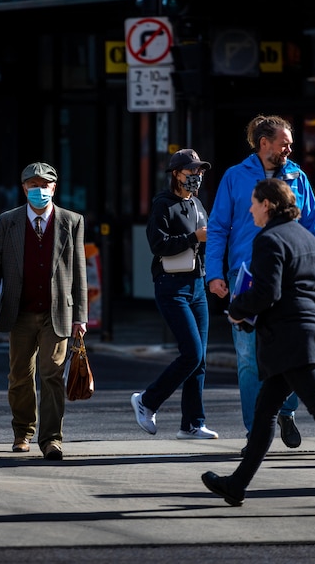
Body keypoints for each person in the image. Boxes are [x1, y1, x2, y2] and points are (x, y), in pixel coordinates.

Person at [200, 179, 315, 509]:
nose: (251, 209)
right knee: (266, 410)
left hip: (291, 340)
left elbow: (269, 292)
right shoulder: (307, 238)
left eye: (254, 203)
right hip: (310, 335)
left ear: (267, 204)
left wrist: (237, 310)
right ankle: (237, 485)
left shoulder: (269, 239)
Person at [206, 114, 315, 453]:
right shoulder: (235, 177)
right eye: (283, 142)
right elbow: (218, 227)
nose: (290, 148)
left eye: (290, 142)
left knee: (293, 349)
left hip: (290, 279)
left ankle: (285, 412)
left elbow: (313, 229)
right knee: (247, 358)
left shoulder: (298, 177)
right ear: (263, 143)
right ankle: (255, 430)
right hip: (245, 279)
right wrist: (214, 273)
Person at [0, 161, 88, 460]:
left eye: (44, 185)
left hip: (58, 312)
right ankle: (22, 431)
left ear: (54, 188)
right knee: (20, 375)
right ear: (24, 188)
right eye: (33, 185)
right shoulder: (8, 221)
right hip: (20, 311)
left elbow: (79, 271)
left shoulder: (71, 221)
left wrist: (81, 315)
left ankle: (52, 438)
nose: (39, 190)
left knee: (52, 373)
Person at [130, 149, 218, 440]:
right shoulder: (163, 205)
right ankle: (147, 401)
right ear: (176, 174)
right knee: (191, 353)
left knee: (200, 357)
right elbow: (158, 244)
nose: (197, 176)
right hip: (171, 286)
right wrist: (194, 237)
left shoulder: (197, 204)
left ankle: (193, 423)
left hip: (197, 285)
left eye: (200, 171)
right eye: (191, 171)